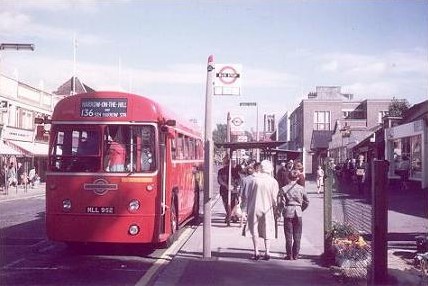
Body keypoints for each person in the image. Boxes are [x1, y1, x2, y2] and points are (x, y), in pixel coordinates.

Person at [244, 160, 279, 261]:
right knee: (267, 228)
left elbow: (248, 195)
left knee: (254, 229)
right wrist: (276, 209)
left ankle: (256, 252)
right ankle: (267, 251)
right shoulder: (273, 181)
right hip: (267, 208)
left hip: (254, 207)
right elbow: (275, 198)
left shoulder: (254, 180)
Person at [279, 169, 309, 260]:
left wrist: (281, 211)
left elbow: (281, 203)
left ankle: (289, 255)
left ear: (288, 177)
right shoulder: (301, 189)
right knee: (297, 234)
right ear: (297, 178)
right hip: (298, 212)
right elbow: (307, 201)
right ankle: (296, 254)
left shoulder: (284, 189)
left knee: (288, 235)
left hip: (288, 211)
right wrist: (300, 209)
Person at [217, 156, 240, 225]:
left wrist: (234, 186)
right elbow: (220, 180)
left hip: (232, 190)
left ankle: (230, 215)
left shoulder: (234, 171)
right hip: (225, 191)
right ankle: (230, 215)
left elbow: (238, 179)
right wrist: (228, 186)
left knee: (231, 203)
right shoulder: (221, 171)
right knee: (228, 203)